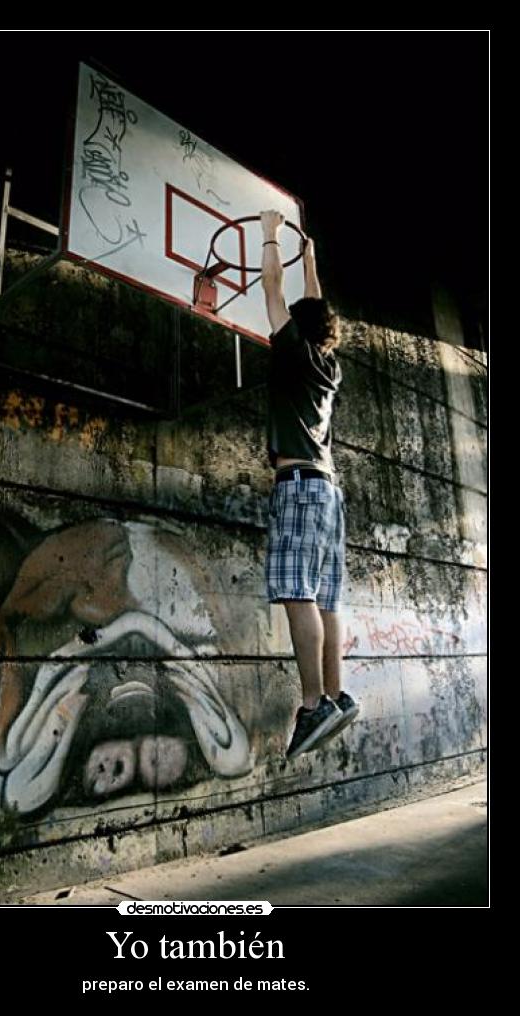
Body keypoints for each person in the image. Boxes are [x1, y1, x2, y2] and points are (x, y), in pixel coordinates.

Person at [260, 209, 359, 759]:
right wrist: (312, 259)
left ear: (297, 327)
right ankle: (337, 694)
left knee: (298, 591)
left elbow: (272, 285)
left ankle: (313, 702)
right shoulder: (329, 365)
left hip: (299, 484)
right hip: (328, 491)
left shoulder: (295, 353)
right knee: (326, 597)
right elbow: (312, 304)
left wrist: (271, 233)